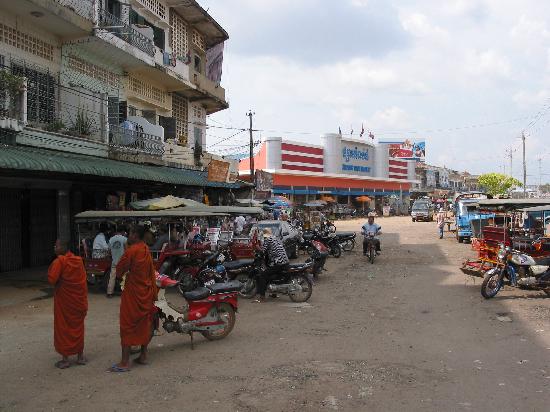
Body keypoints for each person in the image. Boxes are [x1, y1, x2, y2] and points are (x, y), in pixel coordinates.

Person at [109, 225, 157, 372]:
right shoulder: (145, 250)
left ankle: (124, 362)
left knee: (127, 325)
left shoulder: (132, 251)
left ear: (135, 235)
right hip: (145, 292)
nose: (128, 235)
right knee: (144, 324)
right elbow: (151, 272)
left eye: (129, 233)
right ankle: (143, 355)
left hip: (133, 294)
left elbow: (119, 272)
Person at [47, 239, 88, 369]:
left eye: (57, 245)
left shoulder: (60, 261)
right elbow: (82, 281)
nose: (54, 246)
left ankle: (65, 359)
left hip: (65, 302)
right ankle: (80, 357)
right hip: (78, 300)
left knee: (64, 328)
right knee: (78, 327)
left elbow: (52, 279)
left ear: (64, 248)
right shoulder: (78, 261)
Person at [253, 228, 289, 303]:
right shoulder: (275, 238)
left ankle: (262, 297)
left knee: (263, 275)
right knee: (272, 274)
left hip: (278, 262)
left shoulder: (268, 240)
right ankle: (273, 293)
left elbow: (263, 250)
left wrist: (257, 247)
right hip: (284, 261)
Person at [107, 227, 127, 297]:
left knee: (112, 277)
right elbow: (127, 250)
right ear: (123, 232)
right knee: (125, 277)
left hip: (114, 262)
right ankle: (125, 292)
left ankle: (109, 293)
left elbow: (109, 251)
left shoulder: (111, 239)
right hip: (122, 262)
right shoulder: (124, 239)